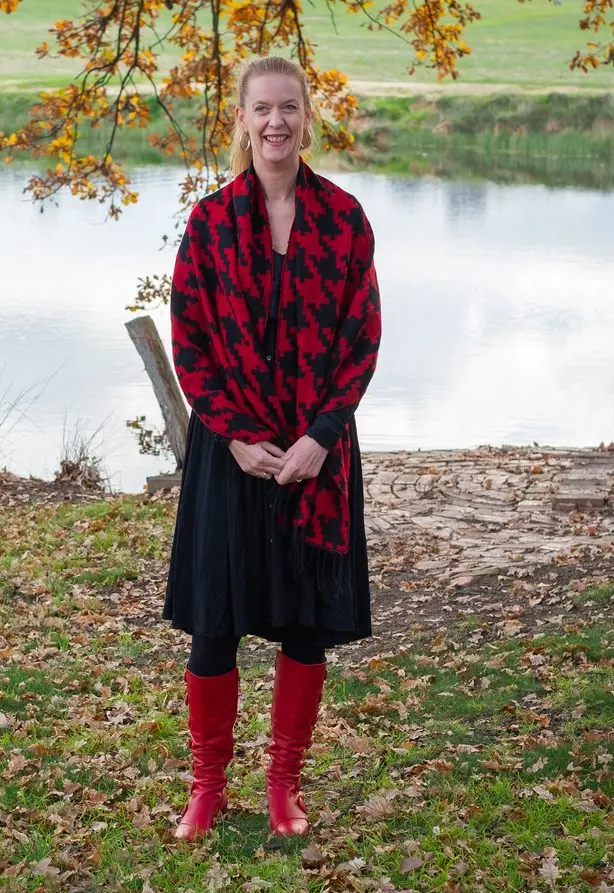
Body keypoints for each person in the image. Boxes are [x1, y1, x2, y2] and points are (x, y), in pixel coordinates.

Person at [164, 56, 382, 841]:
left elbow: (362, 339)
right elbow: (189, 344)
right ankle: (206, 788)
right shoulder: (210, 222)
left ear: (305, 118)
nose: (276, 123)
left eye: (288, 108)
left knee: (302, 626)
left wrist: (320, 438)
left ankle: (284, 784)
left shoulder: (344, 219)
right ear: (241, 120)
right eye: (262, 109)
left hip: (315, 462)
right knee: (214, 627)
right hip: (231, 458)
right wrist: (233, 435)